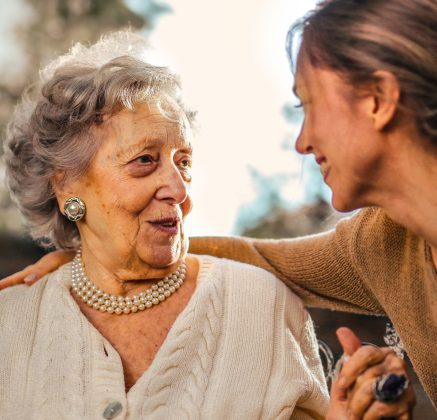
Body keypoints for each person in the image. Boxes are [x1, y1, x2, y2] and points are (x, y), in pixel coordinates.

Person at [4, 0, 434, 416]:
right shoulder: (382, 245)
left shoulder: (263, 308)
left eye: (309, 104)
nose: (301, 141)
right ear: (65, 185)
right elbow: (265, 258)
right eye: (144, 161)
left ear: (378, 100)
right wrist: (92, 250)